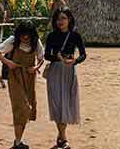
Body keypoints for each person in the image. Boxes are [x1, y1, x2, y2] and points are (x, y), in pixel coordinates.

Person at [0, 23, 44, 149]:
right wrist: (8, 62)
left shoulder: (36, 43)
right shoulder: (13, 41)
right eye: (22, 36)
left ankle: (18, 141)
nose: (24, 38)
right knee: (21, 107)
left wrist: (36, 67)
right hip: (15, 78)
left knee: (29, 107)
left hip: (30, 78)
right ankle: (18, 142)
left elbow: (41, 58)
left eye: (27, 36)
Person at [44, 8, 86, 149]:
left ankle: (61, 137)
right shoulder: (51, 36)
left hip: (69, 71)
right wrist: (56, 57)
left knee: (66, 103)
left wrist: (75, 61)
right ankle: (63, 137)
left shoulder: (75, 36)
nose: (60, 21)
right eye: (58, 19)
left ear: (69, 20)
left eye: (63, 18)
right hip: (55, 71)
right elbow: (46, 56)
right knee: (57, 103)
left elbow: (83, 54)